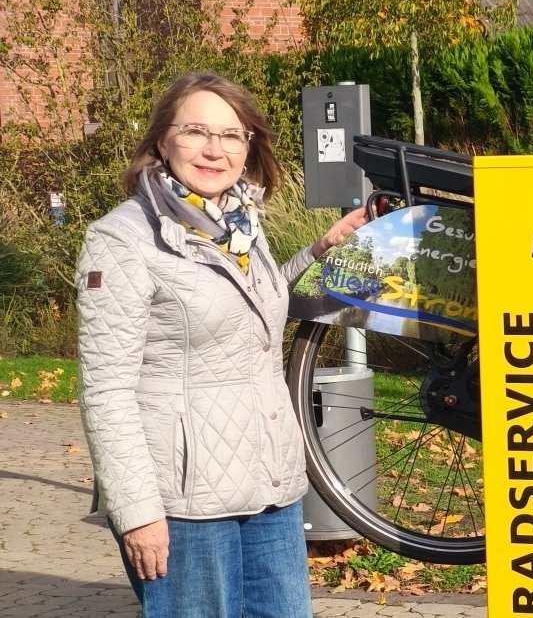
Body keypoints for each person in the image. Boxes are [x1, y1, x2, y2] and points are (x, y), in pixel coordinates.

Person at [75, 71, 368, 617]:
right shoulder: (122, 240)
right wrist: (137, 512)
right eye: (196, 132)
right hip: (184, 505)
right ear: (162, 140)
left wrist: (323, 251)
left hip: (270, 485)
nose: (215, 150)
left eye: (232, 135)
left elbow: (257, 307)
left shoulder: (238, 224)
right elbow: (105, 391)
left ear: (248, 145)